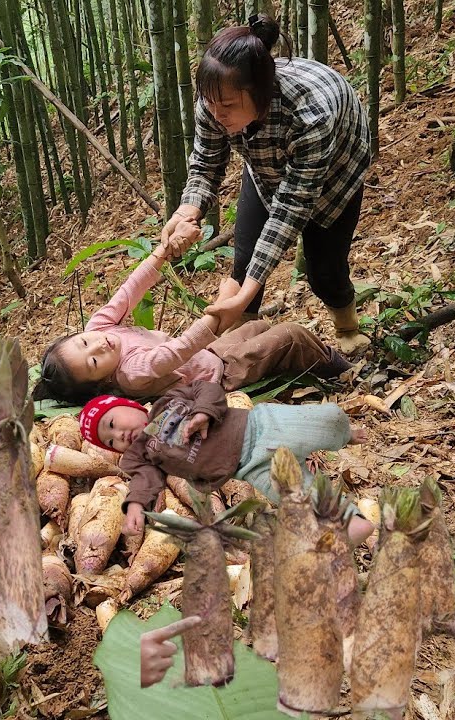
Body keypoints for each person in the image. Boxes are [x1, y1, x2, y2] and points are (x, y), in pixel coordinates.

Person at [160, 14, 373, 357]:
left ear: (261, 93)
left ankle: (347, 325)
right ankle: (242, 345)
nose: (217, 114)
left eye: (227, 106)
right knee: (243, 265)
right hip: (264, 163)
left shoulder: (311, 115)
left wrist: (242, 293)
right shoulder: (215, 100)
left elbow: (290, 209)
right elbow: (206, 161)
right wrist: (189, 209)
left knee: (324, 271)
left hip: (334, 171)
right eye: (210, 104)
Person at [32, 240, 353, 405]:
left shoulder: (97, 329)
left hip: (210, 352)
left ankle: (292, 364)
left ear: (80, 334)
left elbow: (128, 292)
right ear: (101, 382)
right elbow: (177, 351)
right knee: (290, 336)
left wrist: (160, 254)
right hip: (218, 374)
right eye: (94, 362)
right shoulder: (131, 373)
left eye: (85, 342)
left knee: (257, 327)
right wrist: (214, 316)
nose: (99, 346)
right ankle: (336, 368)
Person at [77, 382, 375, 543]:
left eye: (114, 422)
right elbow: (145, 482)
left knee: (330, 421)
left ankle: (345, 435)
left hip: (260, 425)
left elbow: (208, 389)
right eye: (112, 440)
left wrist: (203, 413)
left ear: (127, 405)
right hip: (249, 466)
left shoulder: (169, 401)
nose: (120, 434)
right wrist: (136, 506)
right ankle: (348, 522)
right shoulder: (141, 456)